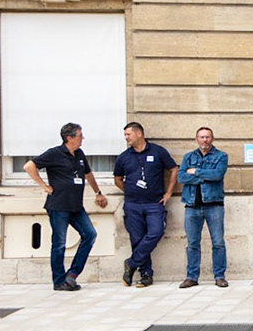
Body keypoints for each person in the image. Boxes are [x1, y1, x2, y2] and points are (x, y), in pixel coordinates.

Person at [23, 122, 109, 291]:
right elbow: (29, 166)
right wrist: (44, 186)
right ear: (69, 138)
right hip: (58, 205)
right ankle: (59, 281)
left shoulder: (79, 154)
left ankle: (73, 274)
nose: (82, 138)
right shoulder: (54, 153)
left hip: (76, 205)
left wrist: (98, 192)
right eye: (79, 135)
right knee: (59, 243)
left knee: (90, 234)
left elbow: (87, 173)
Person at [113, 122, 177, 287]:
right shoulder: (124, 156)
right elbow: (117, 179)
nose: (126, 138)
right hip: (133, 204)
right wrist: (129, 190)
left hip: (154, 203)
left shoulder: (158, 151)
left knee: (156, 232)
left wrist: (168, 192)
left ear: (139, 133)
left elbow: (174, 169)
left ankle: (132, 263)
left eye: (128, 134)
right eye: (125, 135)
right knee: (137, 239)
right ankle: (146, 275)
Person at [178, 126, 230, 289]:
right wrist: (202, 177)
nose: (204, 140)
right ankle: (192, 276)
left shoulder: (221, 156)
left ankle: (219, 276)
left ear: (212, 139)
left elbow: (217, 175)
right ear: (196, 139)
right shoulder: (188, 157)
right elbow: (181, 176)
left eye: (207, 137)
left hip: (213, 206)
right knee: (192, 243)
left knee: (218, 242)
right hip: (192, 205)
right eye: (201, 137)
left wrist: (196, 172)